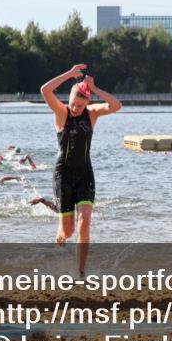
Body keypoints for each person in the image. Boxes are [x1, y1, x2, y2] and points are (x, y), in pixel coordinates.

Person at [40, 65, 122, 277]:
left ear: (87, 103)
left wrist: (94, 88)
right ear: (69, 101)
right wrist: (68, 74)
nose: (75, 109)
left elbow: (116, 105)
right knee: (67, 231)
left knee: (84, 221)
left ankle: (80, 271)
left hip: (85, 173)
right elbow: (45, 90)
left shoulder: (92, 114)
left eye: (80, 105)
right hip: (63, 174)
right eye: (73, 104)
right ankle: (61, 234)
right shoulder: (61, 112)